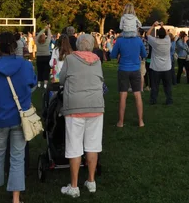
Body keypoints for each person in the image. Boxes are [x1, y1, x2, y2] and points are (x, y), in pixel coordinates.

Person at [0, 32, 37, 203]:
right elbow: (32, 83)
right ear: (15, 45)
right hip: (20, 118)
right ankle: (15, 198)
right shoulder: (25, 66)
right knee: (17, 157)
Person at [59, 33, 104, 198]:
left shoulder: (70, 59)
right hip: (96, 106)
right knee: (93, 145)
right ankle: (91, 181)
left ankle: (74, 185)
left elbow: (62, 79)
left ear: (78, 45)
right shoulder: (97, 61)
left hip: (75, 107)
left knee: (74, 146)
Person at [111, 32, 147, 127]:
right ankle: (140, 121)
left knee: (123, 95)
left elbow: (113, 55)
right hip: (135, 69)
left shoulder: (120, 41)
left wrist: (120, 54)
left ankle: (121, 122)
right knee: (137, 94)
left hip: (123, 69)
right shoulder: (138, 40)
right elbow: (144, 53)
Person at [147, 21, 172, 105]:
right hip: (166, 67)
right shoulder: (168, 41)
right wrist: (162, 26)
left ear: (157, 34)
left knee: (154, 86)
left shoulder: (155, 41)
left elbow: (147, 34)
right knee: (167, 86)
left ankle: (153, 100)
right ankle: (169, 100)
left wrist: (153, 25)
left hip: (156, 67)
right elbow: (167, 34)